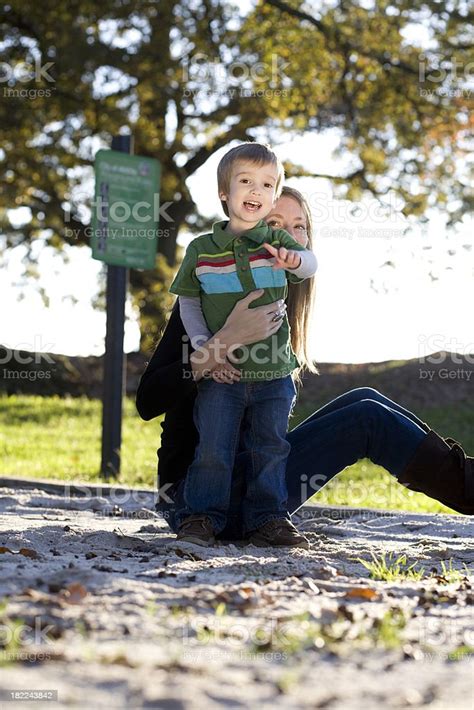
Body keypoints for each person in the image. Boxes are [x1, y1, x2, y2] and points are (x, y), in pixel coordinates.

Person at [136, 187, 474, 545]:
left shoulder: (281, 304)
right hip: (197, 503)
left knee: (365, 397)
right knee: (367, 419)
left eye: (299, 227)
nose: (288, 237)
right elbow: (147, 402)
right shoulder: (208, 298)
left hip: (252, 491)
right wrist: (225, 340)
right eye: (275, 223)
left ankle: (465, 474)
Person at [167, 143, 317, 547]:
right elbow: (189, 300)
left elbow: (312, 264)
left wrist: (294, 261)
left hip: (274, 373)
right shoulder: (202, 248)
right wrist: (206, 346)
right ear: (223, 193)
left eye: (267, 184)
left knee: (270, 447)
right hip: (223, 371)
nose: (256, 190)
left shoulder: (276, 242)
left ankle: (267, 519)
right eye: (245, 181)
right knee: (214, 447)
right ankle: (201, 517)